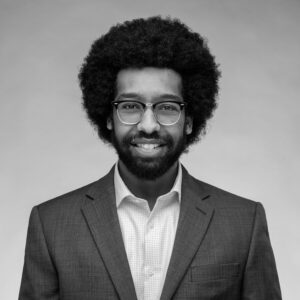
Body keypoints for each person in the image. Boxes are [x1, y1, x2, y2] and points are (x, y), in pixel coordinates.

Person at [19, 16, 282, 300]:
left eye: (166, 107)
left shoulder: (244, 223)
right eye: (130, 106)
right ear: (108, 117)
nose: (148, 125)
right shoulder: (51, 226)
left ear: (190, 120)